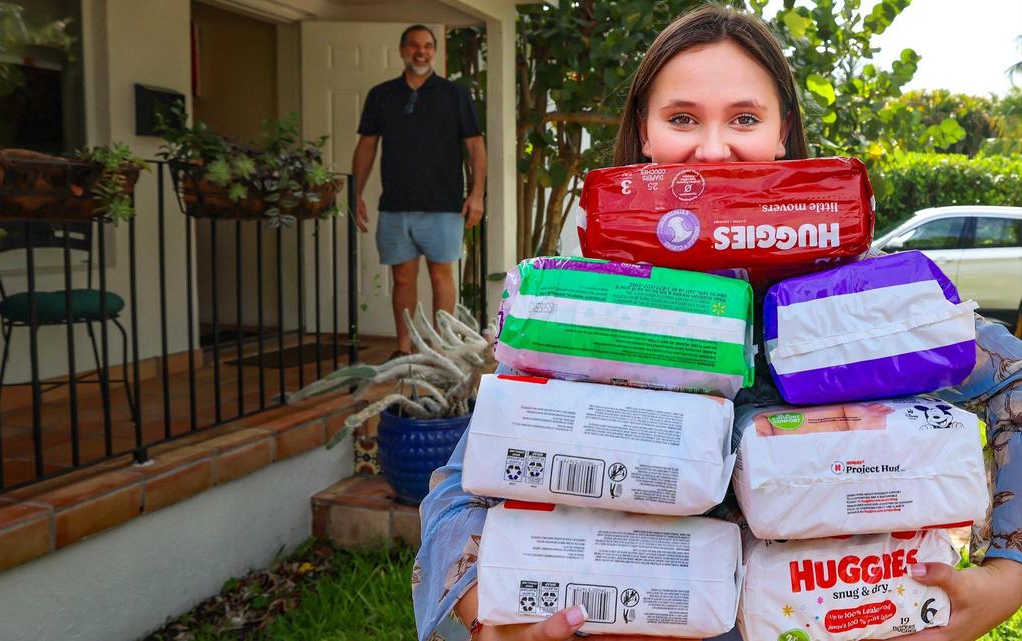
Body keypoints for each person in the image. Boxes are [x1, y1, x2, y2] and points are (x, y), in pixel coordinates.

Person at [412, 5, 1022, 641]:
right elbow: (461, 487)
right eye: (681, 119)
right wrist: (489, 619)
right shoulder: (591, 304)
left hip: (834, 612)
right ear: (645, 135)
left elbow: (1013, 375)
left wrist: (1009, 576)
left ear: (782, 132)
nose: (712, 150)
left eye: (745, 119)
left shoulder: (859, 292)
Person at [352, 24, 487, 359]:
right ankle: (404, 350)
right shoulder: (381, 95)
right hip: (396, 206)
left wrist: (477, 194)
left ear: (434, 52)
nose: (421, 51)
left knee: (442, 277)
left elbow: (475, 146)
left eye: (428, 46)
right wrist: (355, 193)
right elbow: (367, 146)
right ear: (402, 50)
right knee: (402, 279)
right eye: (414, 45)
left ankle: (442, 350)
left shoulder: (454, 94)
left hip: (443, 206)